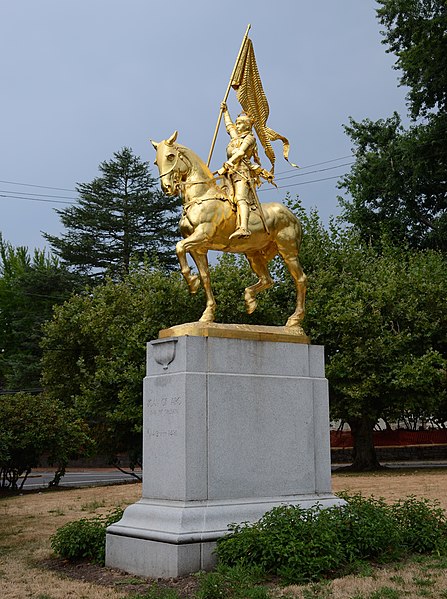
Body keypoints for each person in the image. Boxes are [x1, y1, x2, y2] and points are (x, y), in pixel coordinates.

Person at [217, 102, 262, 239]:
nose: (237, 125)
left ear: (247, 125)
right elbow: (229, 126)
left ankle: (244, 228)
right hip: (229, 174)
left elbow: (241, 153)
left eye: (240, 123)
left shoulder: (250, 138)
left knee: (240, 198)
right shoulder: (236, 137)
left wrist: (228, 163)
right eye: (237, 123)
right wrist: (225, 112)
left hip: (242, 173)